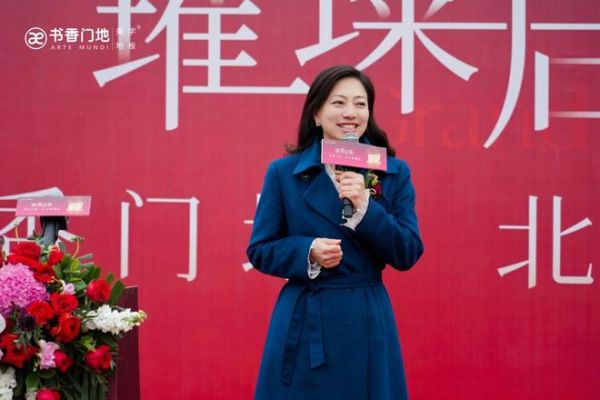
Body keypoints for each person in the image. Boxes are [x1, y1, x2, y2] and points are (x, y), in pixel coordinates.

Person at [247, 65, 424, 400]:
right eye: (339, 102)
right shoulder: (284, 173)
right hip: (306, 318)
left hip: (366, 317)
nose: (350, 113)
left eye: (360, 104)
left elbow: (408, 251)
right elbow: (260, 249)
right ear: (316, 113)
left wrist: (366, 210)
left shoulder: (393, 172)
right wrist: (308, 252)